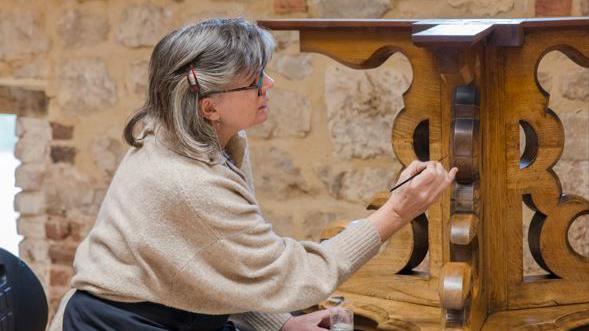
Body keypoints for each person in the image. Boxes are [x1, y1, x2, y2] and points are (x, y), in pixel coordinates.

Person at [49, 17, 457, 331]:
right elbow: (294, 272)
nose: (270, 84)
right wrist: (397, 212)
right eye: (255, 81)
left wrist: (279, 323)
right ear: (209, 106)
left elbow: (217, 264)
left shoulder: (205, 140)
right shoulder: (187, 182)